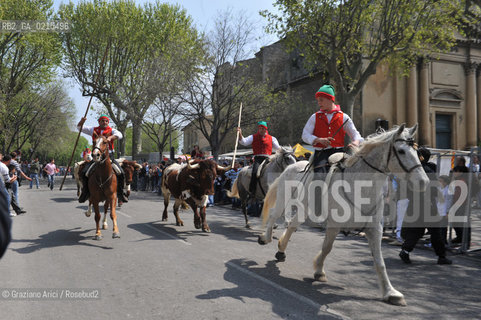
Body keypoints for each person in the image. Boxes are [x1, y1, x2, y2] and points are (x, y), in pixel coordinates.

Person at [399, 147, 452, 265]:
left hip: (414, 203)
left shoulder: (412, 171)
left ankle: (405, 250)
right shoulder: (429, 170)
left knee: (416, 231)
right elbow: (433, 188)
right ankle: (441, 256)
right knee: (435, 232)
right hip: (428, 204)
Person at [302, 84, 363, 173]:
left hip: (339, 153)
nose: (319, 103)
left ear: (330, 99)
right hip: (321, 154)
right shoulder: (314, 117)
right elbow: (305, 135)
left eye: (321, 100)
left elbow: (356, 135)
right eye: (318, 100)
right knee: (319, 176)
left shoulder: (344, 117)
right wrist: (319, 140)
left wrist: (355, 142)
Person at [77, 114, 128, 203]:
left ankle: (120, 194)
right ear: (99, 122)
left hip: (109, 157)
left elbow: (119, 135)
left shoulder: (112, 130)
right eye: (102, 121)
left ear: (108, 122)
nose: (104, 122)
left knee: (121, 173)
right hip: (96, 156)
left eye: (106, 121)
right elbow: (79, 128)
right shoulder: (93, 129)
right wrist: (82, 121)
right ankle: (85, 193)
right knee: (84, 172)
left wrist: (111, 137)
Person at [237, 121, 280, 196]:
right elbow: (244, 142)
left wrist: (286, 151)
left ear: (265, 129)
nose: (260, 130)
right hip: (258, 159)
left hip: (269, 159)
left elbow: (278, 148)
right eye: (259, 128)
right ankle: (252, 190)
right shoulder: (253, 137)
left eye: (262, 128)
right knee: (254, 172)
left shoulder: (272, 138)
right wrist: (240, 133)